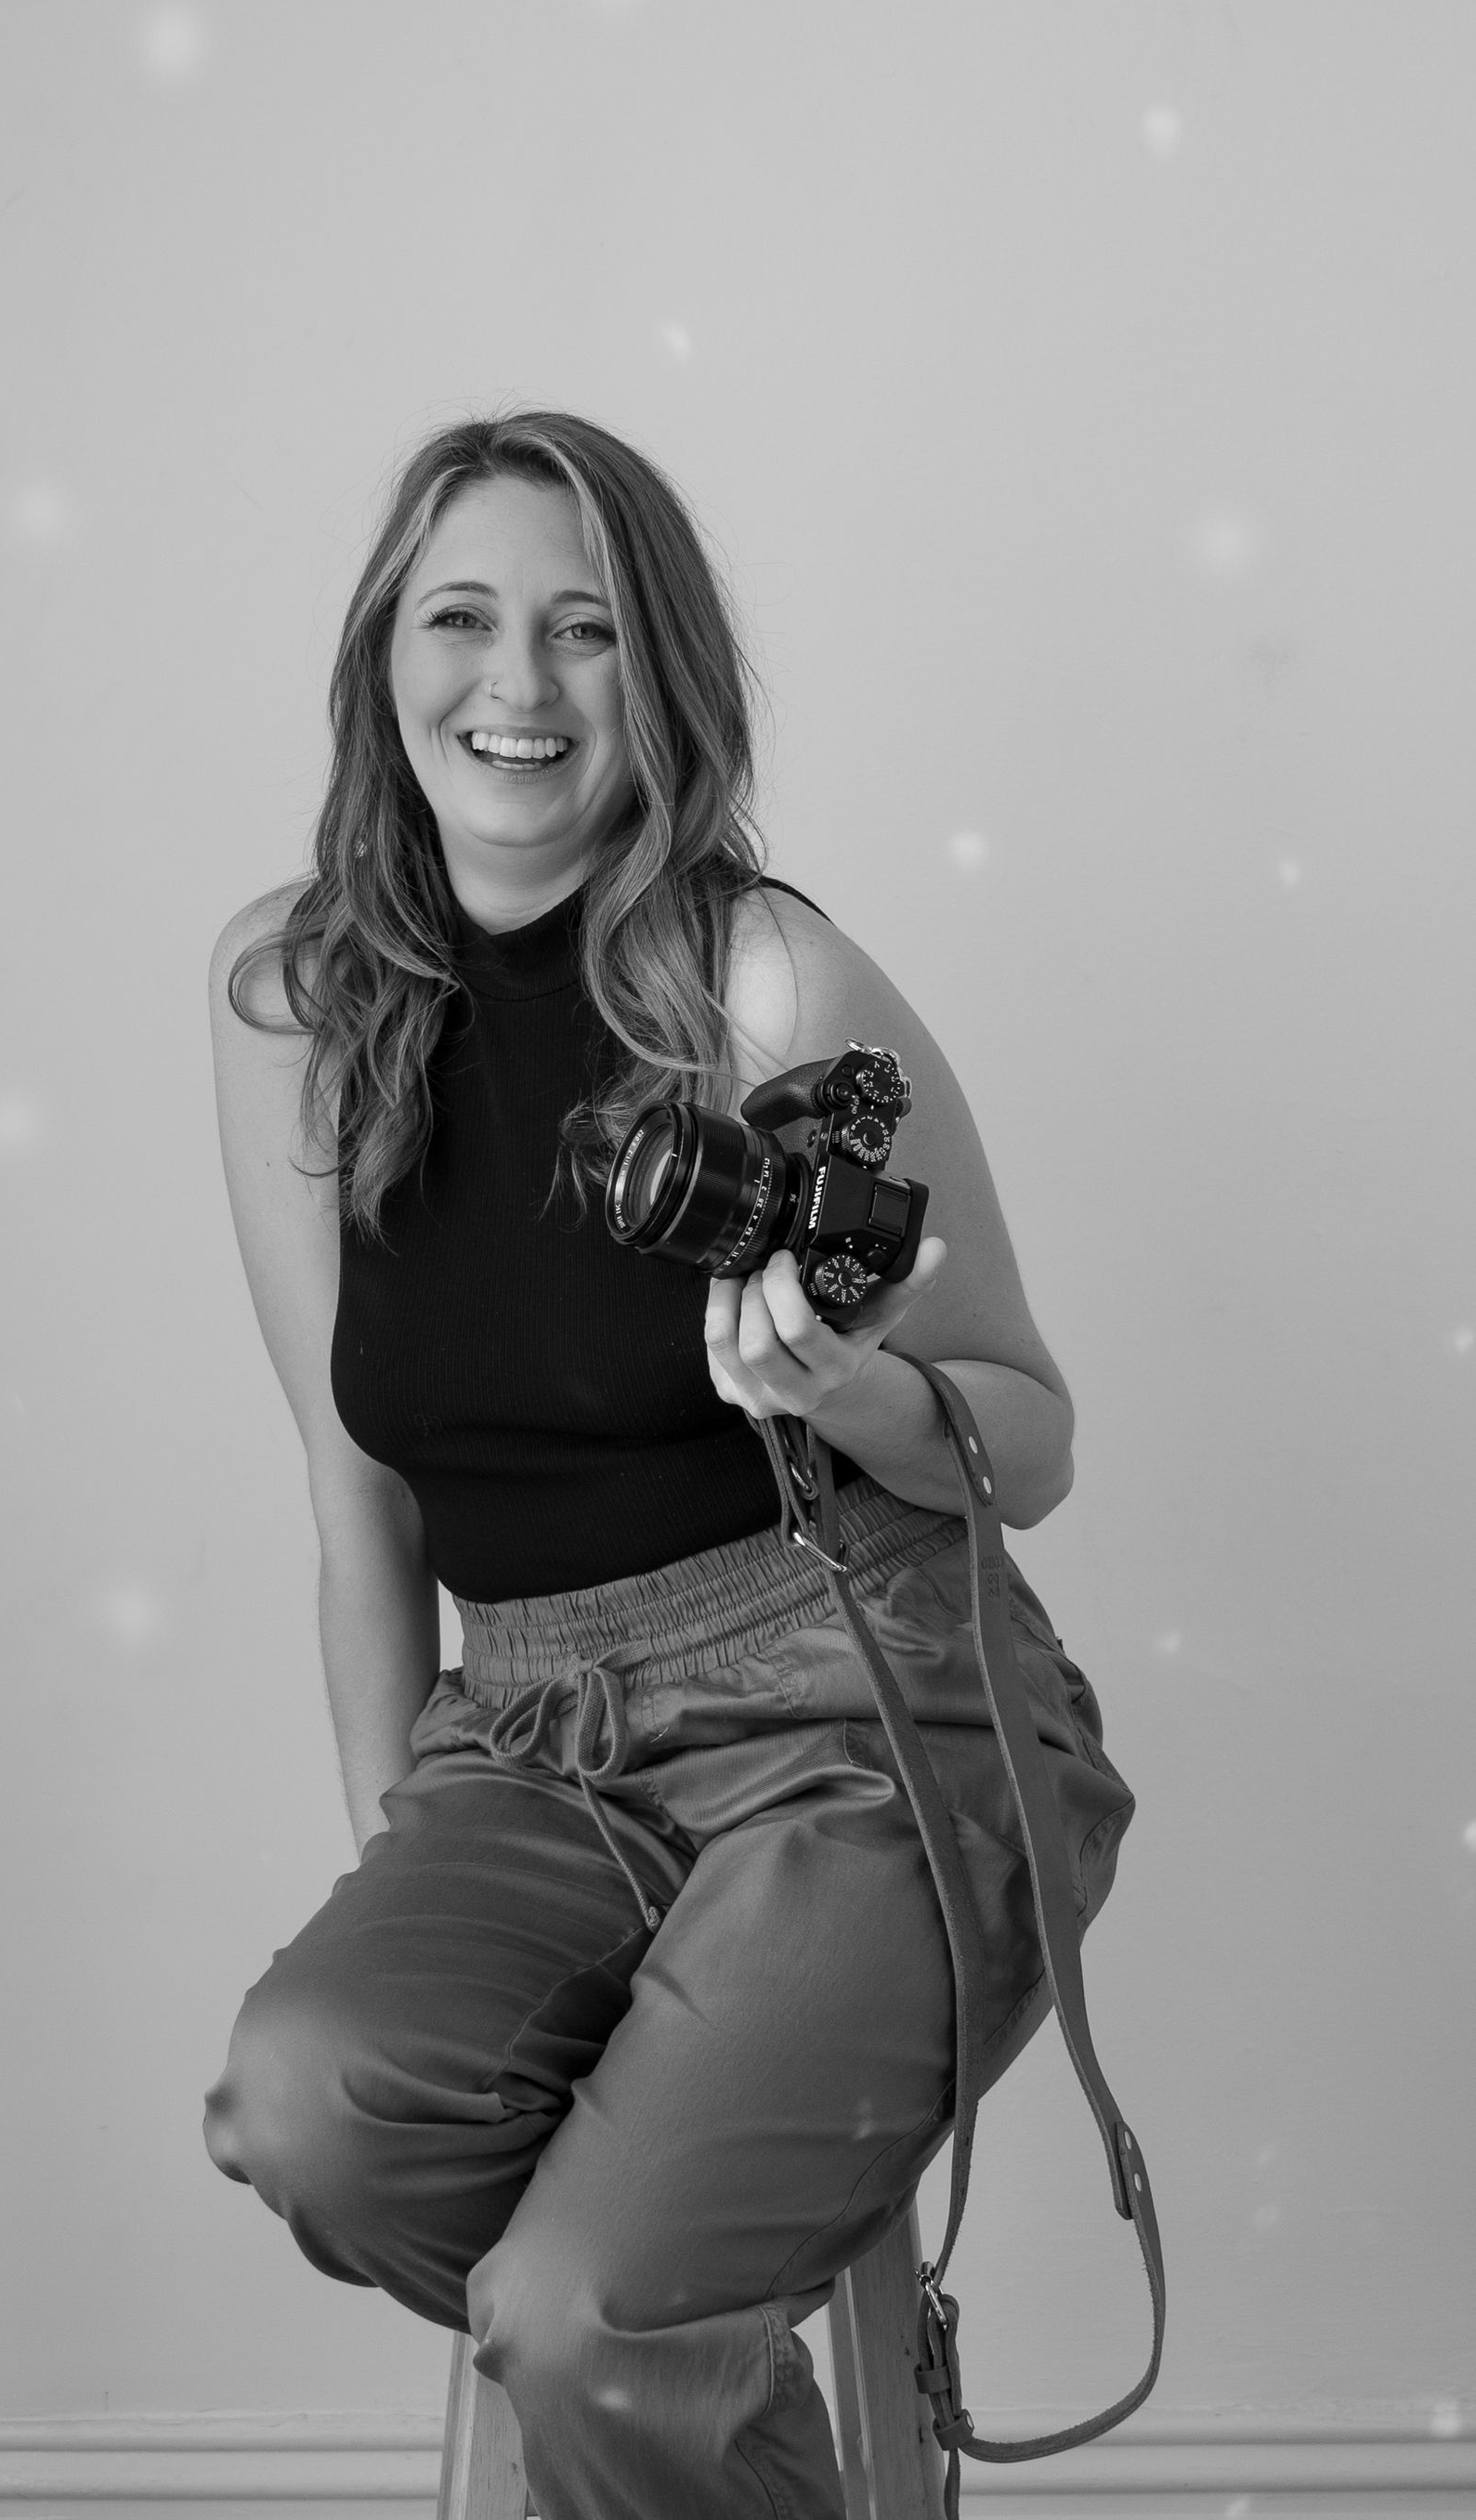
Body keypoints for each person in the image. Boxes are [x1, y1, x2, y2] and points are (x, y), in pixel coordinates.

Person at [201, 411, 1135, 2520]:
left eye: (586, 632)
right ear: (383, 659)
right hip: (528, 1730)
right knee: (316, 2103)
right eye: (464, 619)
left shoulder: (768, 978)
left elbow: (1035, 1440)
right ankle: (714, 2428)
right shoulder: (294, 1005)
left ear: (666, 681)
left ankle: (641, 2367)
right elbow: (359, 1506)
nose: (516, 690)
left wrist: (853, 1394)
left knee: (578, 2306)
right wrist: (413, 1882)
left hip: (872, 1708)